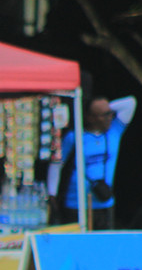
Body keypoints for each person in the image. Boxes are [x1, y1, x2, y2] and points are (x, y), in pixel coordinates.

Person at [54, 95, 137, 230]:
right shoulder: (74, 137)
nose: (110, 117)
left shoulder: (114, 131)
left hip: (104, 203)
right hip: (76, 203)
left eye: (110, 114)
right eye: (104, 115)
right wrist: (53, 192)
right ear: (90, 117)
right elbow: (56, 163)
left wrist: (106, 108)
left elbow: (131, 103)